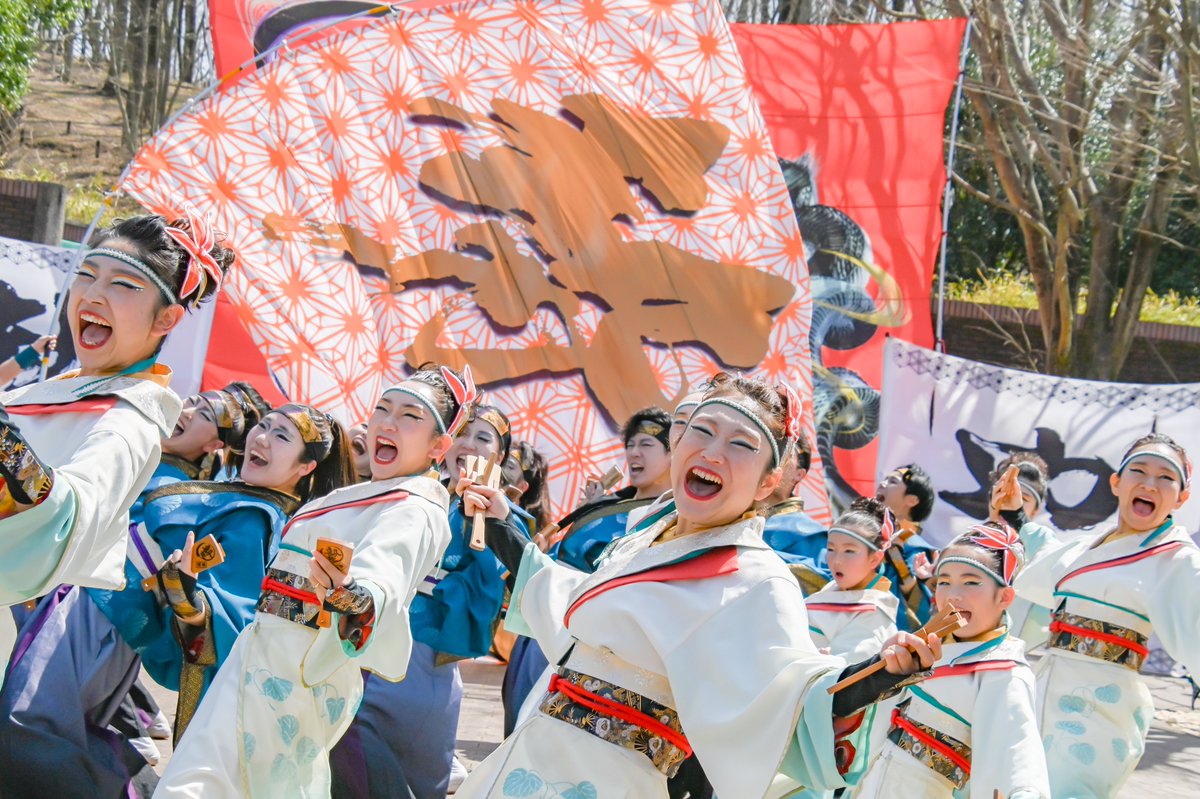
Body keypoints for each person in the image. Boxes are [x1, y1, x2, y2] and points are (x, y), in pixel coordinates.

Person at [456, 372, 943, 799]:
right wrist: (504, 525)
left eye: (740, 444)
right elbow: (576, 608)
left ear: (768, 482)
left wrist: (879, 673)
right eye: (700, 431)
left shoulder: (758, 578)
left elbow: (794, 693)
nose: (712, 451)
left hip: (613, 775)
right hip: (534, 748)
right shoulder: (651, 528)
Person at [0, 402, 350, 799]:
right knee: (33, 727)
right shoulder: (238, 495)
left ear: (306, 468)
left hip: (106, 618)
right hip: (95, 603)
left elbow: (228, 617)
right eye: (265, 425)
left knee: (26, 724)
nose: (263, 437)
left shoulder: (254, 515)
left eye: (282, 436)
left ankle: (132, 786)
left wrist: (187, 596)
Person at [156, 366, 463, 798]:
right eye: (382, 409)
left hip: (298, 672)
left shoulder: (416, 508)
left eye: (410, 416)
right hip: (262, 653)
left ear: (439, 446)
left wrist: (356, 594)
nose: (388, 423)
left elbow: (386, 570)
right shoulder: (349, 498)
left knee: (206, 787)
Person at [0, 210, 231, 607]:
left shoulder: (128, 423)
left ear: (166, 318)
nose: (91, 295)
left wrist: (7, 444)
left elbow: (68, 516)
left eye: (123, 284)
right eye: (86, 275)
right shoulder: (70, 386)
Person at [332, 402, 527, 799]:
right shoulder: (409, 494)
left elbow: (490, 599)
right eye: (463, 433)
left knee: (409, 779)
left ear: (500, 456)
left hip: (423, 662)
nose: (469, 445)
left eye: (483, 438)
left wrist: (430, 581)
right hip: (364, 645)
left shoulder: (504, 520)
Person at [1003, 433, 1200, 798]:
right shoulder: (1093, 543)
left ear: (1181, 497)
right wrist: (1016, 517)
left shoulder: (1178, 559)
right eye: (1138, 471)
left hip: (1100, 711)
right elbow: (1047, 566)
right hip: (1045, 688)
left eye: (1165, 478)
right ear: (1116, 482)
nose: (1148, 483)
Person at [502, 407, 674, 735]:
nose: (633, 452)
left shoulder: (667, 519)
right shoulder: (607, 505)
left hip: (585, 641)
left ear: (673, 454)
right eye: (630, 445)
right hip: (542, 622)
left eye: (647, 445)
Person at [848, 521, 1050, 799]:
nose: (954, 595)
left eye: (970, 582)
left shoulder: (1004, 670)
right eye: (944, 582)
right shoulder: (923, 649)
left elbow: (1018, 749)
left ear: (1004, 597)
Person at [984, 452, 1052, 647]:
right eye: (1004, 491)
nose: (1009, 502)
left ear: (1035, 510)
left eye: (1023, 498)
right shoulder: (961, 545)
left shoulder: (1044, 552)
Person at [761, 431, 830, 595]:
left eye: (785, 452)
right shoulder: (724, 517)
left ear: (800, 474)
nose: (775, 458)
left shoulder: (814, 536)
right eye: (771, 449)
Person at [875, 464, 938, 631]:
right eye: (884, 479)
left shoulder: (918, 548)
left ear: (912, 500)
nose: (882, 483)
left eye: (892, 481)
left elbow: (919, 607)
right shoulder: (866, 534)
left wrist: (895, 555)